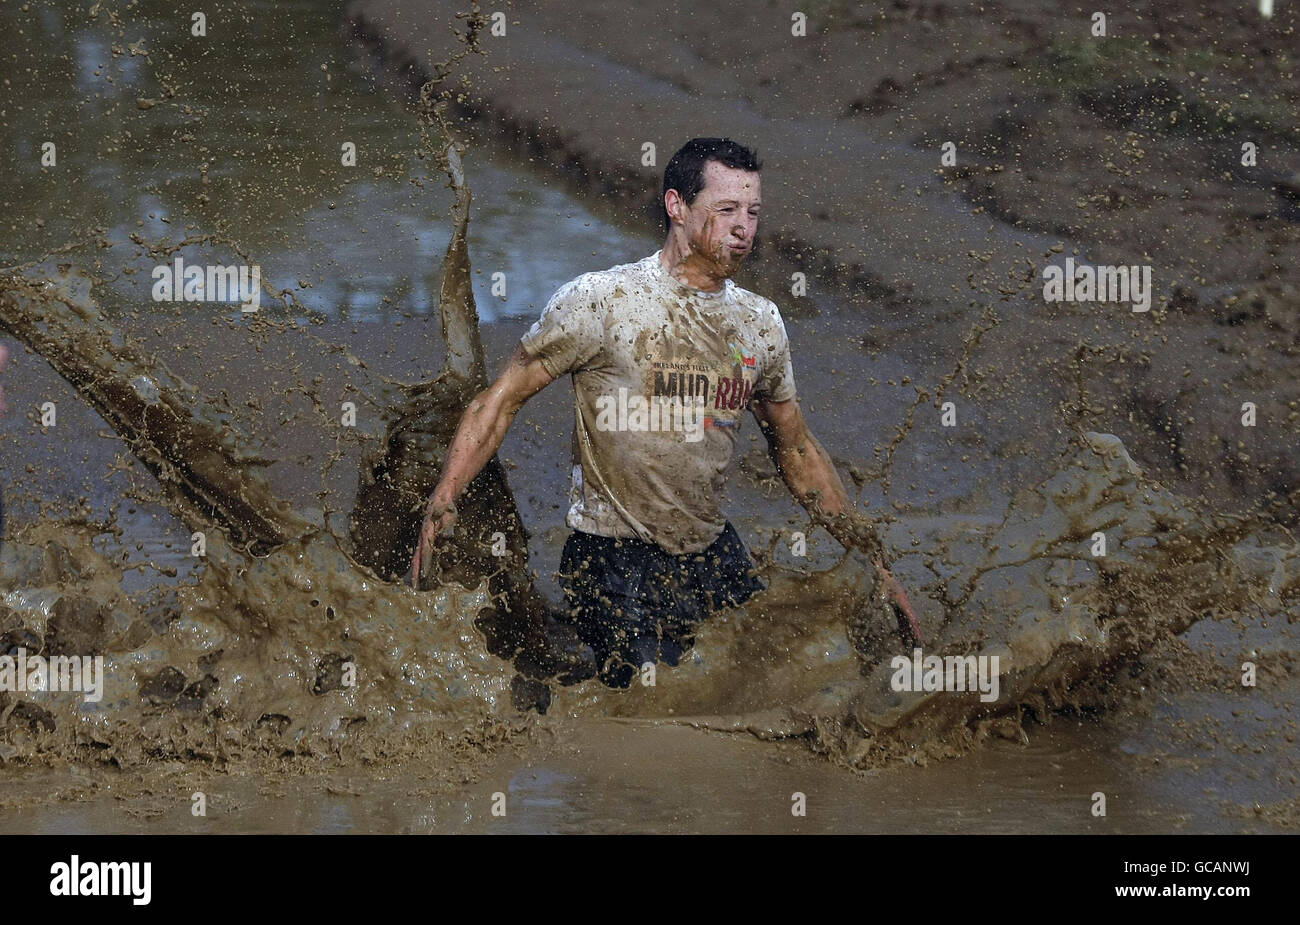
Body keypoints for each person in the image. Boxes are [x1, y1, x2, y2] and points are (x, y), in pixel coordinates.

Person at [411, 137, 919, 689]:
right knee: (656, 709)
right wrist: (443, 500)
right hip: (612, 558)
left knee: (780, 680)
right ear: (677, 206)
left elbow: (796, 449)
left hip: (711, 552)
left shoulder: (760, 323)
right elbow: (499, 401)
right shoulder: (602, 302)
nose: (744, 228)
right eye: (726, 211)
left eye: (752, 212)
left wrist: (873, 560)